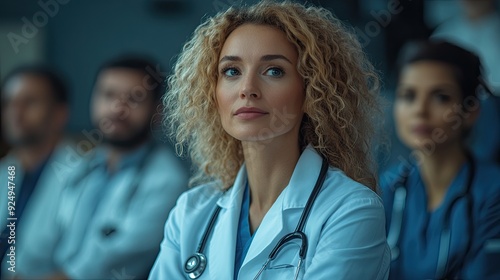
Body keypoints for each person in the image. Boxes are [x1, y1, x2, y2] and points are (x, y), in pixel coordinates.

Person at [150, 2, 390, 279]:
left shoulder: (352, 210)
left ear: (312, 91)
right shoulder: (190, 213)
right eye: (231, 71)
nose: (247, 89)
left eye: (274, 70)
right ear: (212, 91)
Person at [8, 57, 189, 280]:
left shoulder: (166, 181)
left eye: (134, 98)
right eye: (109, 95)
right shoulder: (78, 166)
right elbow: (40, 242)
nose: (117, 108)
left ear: (157, 112)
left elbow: (101, 269)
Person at [381, 41, 500, 279]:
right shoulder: (389, 185)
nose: (420, 111)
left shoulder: (494, 193)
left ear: (470, 111)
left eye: (441, 97)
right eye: (408, 96)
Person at [0, 65, 71, 278]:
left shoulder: (82, 175)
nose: (16, 113)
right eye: (9, 103)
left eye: (29, 102)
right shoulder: (6, 171)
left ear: (60, 113)